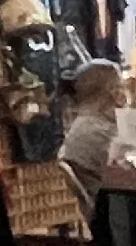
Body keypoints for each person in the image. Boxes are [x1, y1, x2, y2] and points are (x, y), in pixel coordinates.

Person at [55, 62, 131, 191]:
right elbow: (130, 173)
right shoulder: (98, 132)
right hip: (115, 204)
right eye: (122, 86)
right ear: (115, 93)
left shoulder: (84, 126)